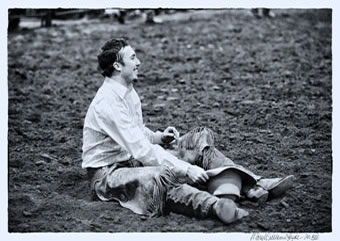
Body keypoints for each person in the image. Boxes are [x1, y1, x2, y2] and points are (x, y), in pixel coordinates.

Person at [82, 38, 294, 224]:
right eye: (133, 58)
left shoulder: (127, 90)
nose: (138, 63)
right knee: (163, 175)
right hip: (108, 175)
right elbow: (141, 150)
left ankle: (252, 184)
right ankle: (215, 206)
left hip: (132, 160)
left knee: (197, 138)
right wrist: (186, 169)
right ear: (118, 66)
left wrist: (158, 137)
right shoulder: (108, 101)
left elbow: (137, 132)